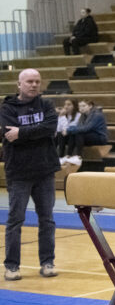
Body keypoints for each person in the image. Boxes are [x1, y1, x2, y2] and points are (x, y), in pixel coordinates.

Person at [2, 69, 59, 281]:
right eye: (29, 82)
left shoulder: (47, 105)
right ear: (19, 84)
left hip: (45, 171)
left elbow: (50, 127)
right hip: (19, 173)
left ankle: (47, 262)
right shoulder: (8, 107)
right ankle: (12, 266)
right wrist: (38, 131)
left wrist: (22, 133)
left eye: (37, 81)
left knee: (47, 219)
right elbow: (8, 134)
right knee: (16, 220)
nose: (34, 85)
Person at [61, 99, 107, 166]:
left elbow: (87, 128)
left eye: (83, 106)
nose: (81, 108)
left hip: (99, 137)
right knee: (74, 132)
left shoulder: (97, 115)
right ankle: (68, 155)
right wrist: (69, 130)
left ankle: (78, 157)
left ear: (90, 106)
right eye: (80, 106)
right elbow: (78, 127)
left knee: (78, 133)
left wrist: (68, 130)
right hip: (89, 135)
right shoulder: (83, 115)